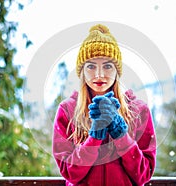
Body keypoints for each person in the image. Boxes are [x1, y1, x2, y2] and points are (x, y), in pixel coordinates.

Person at [52, 24, 156, 186]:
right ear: (82, 71)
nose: (99, 74)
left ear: (117, 70)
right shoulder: (67, 110)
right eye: (91, 66)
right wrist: (94, 137)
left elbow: (144, 174)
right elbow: (70, 173)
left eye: (107, 66)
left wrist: (121, 135)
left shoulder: (139, 110)